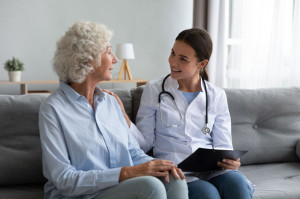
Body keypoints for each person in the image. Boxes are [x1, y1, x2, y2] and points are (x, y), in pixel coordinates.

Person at [38, 21, 188, 199]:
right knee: (150, 186)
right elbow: (64, 180)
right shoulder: (53, 109)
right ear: (88, 59)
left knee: (175, 179)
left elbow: (132, 152)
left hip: (118, 188)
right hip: (79, 195)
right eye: (109, 52)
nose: (115, 59)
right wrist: (127, 173)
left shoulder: (110, 102)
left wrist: (158, 165)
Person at [110, 28, 254, 199]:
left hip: (213, 170)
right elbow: (145, 144)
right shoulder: (154, 89)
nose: (173, 62)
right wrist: (124, 118)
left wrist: (231, 161)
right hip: (177, 169)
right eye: (173, 53)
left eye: (183, 59)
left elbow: (224, 146)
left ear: (201, 64)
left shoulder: (216, 95)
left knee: (238, 185)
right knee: (208, 194)